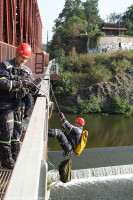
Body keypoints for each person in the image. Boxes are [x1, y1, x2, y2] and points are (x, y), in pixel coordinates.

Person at [0, 43, 34, 169]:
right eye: (22, 57)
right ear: (17, 54)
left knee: (17, 130)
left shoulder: (27, 72)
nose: (23, 60)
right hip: (4, 104)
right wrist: (18, 83)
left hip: (17, 104)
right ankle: (5, 160)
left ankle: (15, 156)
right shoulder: (5, 65)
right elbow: (2, 82)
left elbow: (31, 91)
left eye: (26, 58)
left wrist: (33, 87)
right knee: (7, 130)